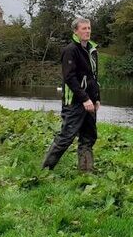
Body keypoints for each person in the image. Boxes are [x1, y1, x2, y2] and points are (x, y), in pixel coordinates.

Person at [42, 17, 101, 172]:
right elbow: (69, 78)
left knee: (88, 137)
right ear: (76, 31)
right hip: (74, 101)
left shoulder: (92, 50)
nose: (87, 31)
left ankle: (86, 172)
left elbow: (94, 76)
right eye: (84, 28)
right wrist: (84, 98)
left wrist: (96, 98)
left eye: (89, 28)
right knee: (66, 137)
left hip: (90, 101)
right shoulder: (70, 50)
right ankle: (45, 170)